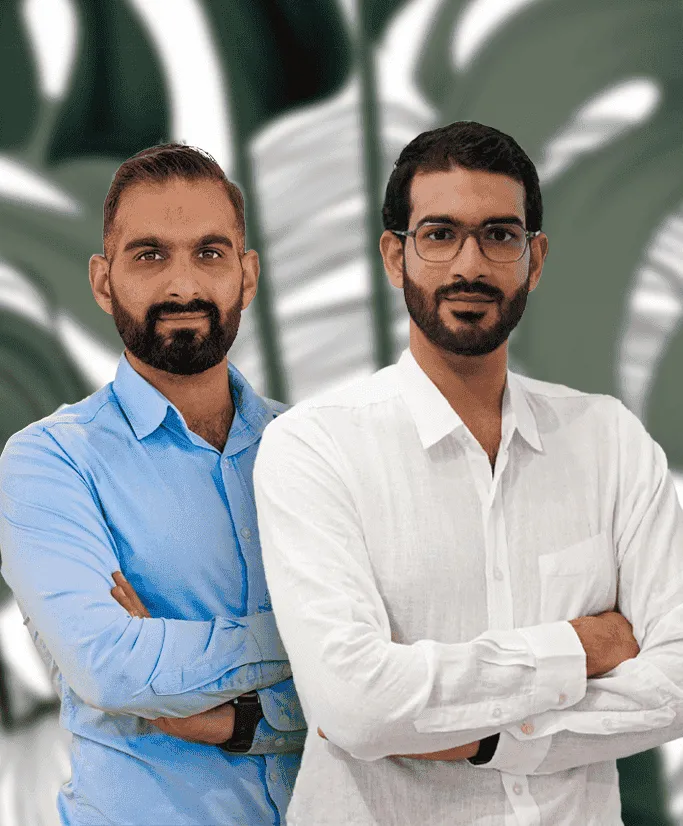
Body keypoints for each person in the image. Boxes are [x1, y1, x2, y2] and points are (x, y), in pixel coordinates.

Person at [252, 121, 683, 826]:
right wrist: (579, 646)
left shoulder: (609, 441)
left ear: (533, 258)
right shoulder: (313, 448)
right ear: (394, 256)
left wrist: (489, 741)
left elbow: (675, 678)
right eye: (438, 234)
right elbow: (354, 705)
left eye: (498, 236)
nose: (468, 266)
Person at [0, 144, 306, 826]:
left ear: (247, 275)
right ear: (103, 281)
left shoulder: (318, 452)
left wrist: (234, 721)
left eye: (209, 253)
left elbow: (383, 684)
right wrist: (314, 635)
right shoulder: (50, 461)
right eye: (149, 255)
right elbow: (111, 667)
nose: (182, 285)